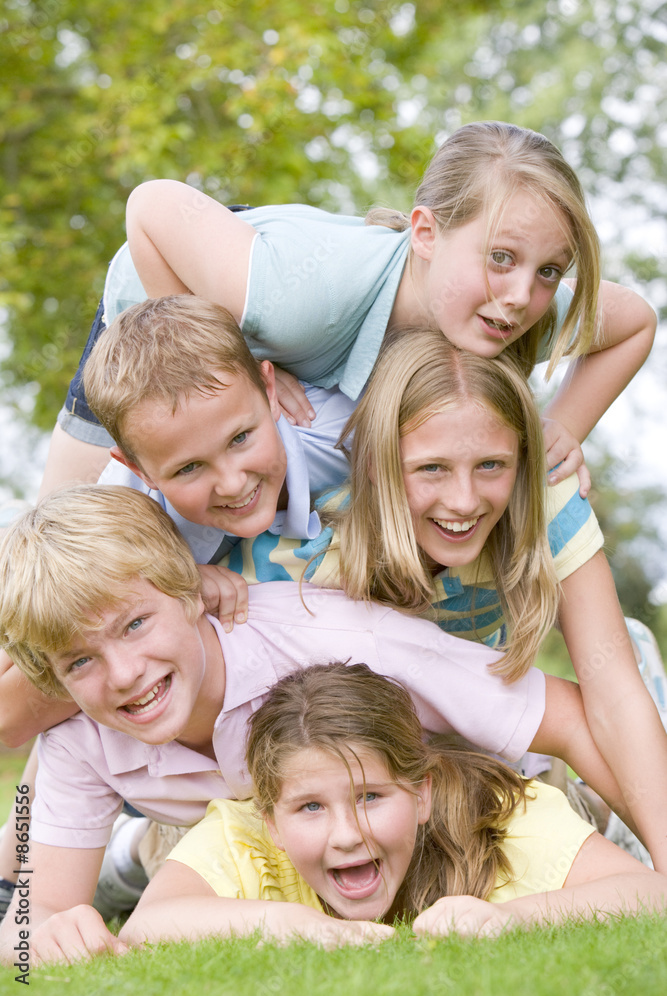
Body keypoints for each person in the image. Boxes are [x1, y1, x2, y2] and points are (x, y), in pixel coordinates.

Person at [0, 484, 618, 966]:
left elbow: (565, 715)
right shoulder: (78, 736)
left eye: (135, 624)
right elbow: (27, 918)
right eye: (81, 660)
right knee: (178, 863)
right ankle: (131, 856)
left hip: (458, 805)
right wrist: (45, 936)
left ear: (190, 592)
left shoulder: (340, 639)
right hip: (251, 853)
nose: (125, 674)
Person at [221, 328, 667, 871]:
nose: (463, 501)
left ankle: (611, 795)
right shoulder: (313, 555)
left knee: (603, 721)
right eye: (431, 468)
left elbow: (614, 695)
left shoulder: (545, 499)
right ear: (377, 465)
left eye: (492, 466)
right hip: (401, 749)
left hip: (499, 718)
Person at [44, 121, 655, 497]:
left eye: (549, 270)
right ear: (425, 235)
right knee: (65, 532)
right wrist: (230, 356)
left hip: (270, 335)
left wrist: (561, 429)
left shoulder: (509, 307)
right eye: (500, 258)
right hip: (158, 312)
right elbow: (152, 208)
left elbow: (634, 322)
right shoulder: (297, 300)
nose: (523, 294)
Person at [0, 294, 356, 749]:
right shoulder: (124, 511)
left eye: (241, 438)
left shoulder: (343, 431)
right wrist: (176, 585)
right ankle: (22, 823)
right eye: (188, 468)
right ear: (140, 469)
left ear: (270, 392)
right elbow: (10, 715)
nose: (231, 483)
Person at [119, 662, 667, 948]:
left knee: (592, 817)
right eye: (310, 807)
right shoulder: (247, 833)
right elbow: (146, 927)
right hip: (168, 830)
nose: (346, 836)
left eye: (370, 797)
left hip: (542, 788)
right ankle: (120, 853)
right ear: (272, 822)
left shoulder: (501, 818)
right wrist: (294, 924)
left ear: (421, 793)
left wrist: (505, 919)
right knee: (142, 859)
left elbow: (651, 892)